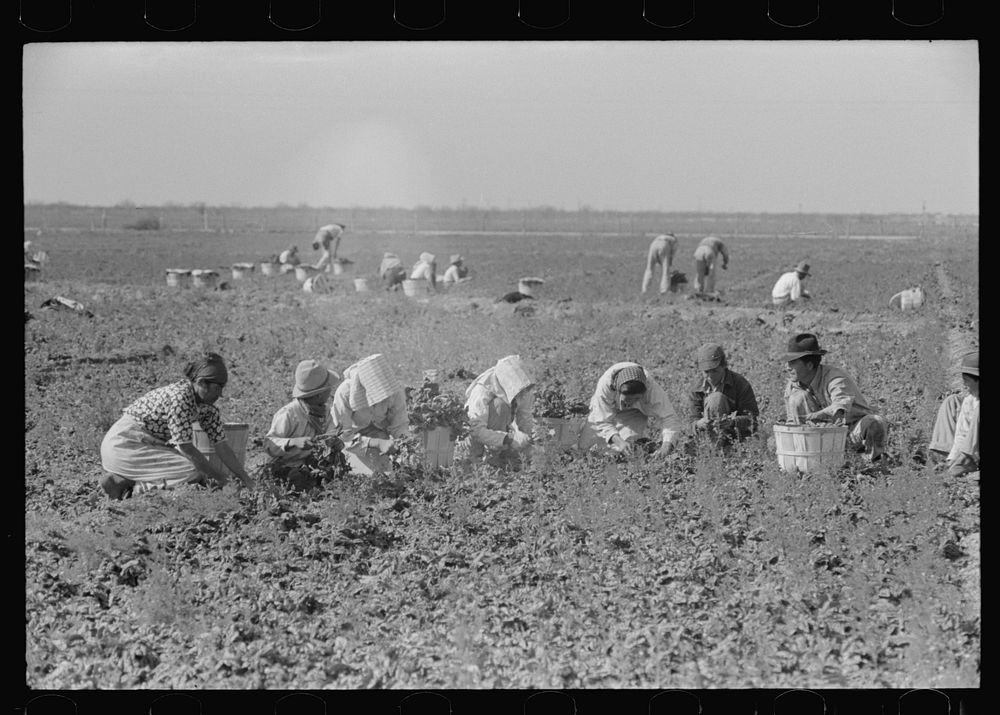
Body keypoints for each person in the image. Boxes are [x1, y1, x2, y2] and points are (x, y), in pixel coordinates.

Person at [99, 352, 254, 500]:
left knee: (194, 471)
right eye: (217, 388)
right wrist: (221, 479)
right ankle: (132, 490)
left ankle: (123, 480)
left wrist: (246, 479)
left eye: (222, 387)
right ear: (200, 383)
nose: (220, 394)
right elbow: (187, 448)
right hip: (125, 445)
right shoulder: (180, 398)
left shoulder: (207, 408)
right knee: (191, 471)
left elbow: (222, 446)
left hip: (146, 446)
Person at [782, 333, 889, 462]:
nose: (787, 367)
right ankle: (807, 459)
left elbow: (839, 407)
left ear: (809, 365)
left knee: (875, 422)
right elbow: (792, 422)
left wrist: (817, 415)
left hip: (850, 433)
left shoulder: (835, 378)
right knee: (797, 399)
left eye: (792, 362)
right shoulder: (793, 386)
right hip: (818, 438)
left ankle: (868, 464)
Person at [578, 362, 684, 458]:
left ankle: (641, 447)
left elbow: (669, 416)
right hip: (605, 410)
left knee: (626, 451)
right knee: (585, 450)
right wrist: (619, 442)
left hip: (634, 413)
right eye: (627, 399)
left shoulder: (651, 389)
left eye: (636, 398)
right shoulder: (605, 385)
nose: (630, 402)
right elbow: (602, 420)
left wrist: (667, 445)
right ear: (619, 391)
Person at [331, 353, 409, 475]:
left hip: (382, 437)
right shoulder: (345, 393)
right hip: (352, 443)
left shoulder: (394, 391)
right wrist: (376, 443)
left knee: (393, 471)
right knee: (365, 475)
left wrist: (406, 445)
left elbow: (399, 424)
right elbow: (343, 436)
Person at [459, 355, 536, 468]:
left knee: (532, 453)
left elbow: (525, 419)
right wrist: (508, 439)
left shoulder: (522, 389)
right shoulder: (482, 391)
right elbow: (475, 430)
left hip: (501, 437)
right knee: (500, 405)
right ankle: (488, 457)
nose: (524, 393)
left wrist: (534, 434)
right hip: (476, 441)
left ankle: (501, 455)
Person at [264, 359, 342, 462]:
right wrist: (293, 442)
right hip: (285, 467)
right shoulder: (289, 414)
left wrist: (335, 442)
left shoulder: (324, 411)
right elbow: (269, 444)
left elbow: (330, 434)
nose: (331, 390)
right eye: (328, 388)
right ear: (319, 394)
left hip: (312, 466)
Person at [688, 343, 760, 446]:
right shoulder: (696, 388)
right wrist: (700, 424)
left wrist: (732, 422)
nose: (710, 376)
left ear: (724, 366)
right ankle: (712, 445)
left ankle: (722, 444)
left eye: (714, 371)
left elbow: (753, 419)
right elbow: (692, 420)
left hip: (735, 437)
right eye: (706, 372)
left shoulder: (739, 384)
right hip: (705, 438)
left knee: (716, 398)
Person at [927, 350, 979, 476]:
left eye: (966, 380)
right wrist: (953, 459)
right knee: (952, 401)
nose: (964, 385)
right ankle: (956, 459)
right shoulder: (970, 400)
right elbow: (963, 431)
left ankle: (965, 460)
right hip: (970, 450)